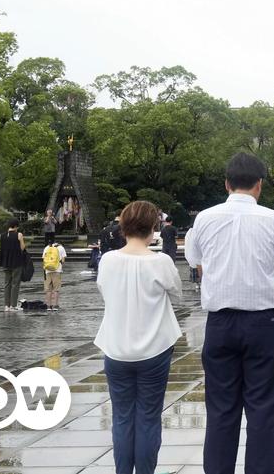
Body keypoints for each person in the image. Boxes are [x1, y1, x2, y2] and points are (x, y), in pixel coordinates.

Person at [184, 153, 274, 474]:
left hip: (219, 324)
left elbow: (199, 265)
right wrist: (264, 295)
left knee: (221, 408)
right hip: (262, 322)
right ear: (259, 185)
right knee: (264, 408)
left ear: (226, 184)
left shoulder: (204, 218)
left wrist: (224, 285)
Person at [95, 200, 182, 474]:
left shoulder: (108, 260)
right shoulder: (161, 262)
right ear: (153, 228)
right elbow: (177, 294)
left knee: (122, 417)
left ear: (123, 227)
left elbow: (103, 290)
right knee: (147, 417)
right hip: (154, 350)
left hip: (116, 349)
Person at [0, 219, 26, 312]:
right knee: (15, 284)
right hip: (16, 262)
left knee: (7, 284)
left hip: (5, 262)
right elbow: (22, 248)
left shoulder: (1, 236)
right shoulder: (19, 235)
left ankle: (7, 306)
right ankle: (13, 305)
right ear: (16, 226)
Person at [41, 241, 67, 311]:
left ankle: (49, 306)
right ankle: (55, 305)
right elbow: (63, 260)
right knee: (56, 289)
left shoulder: (47, 247)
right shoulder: (61, 248)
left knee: (48, 289)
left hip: (47, 271)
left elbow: (44, 259)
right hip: (57, 270)